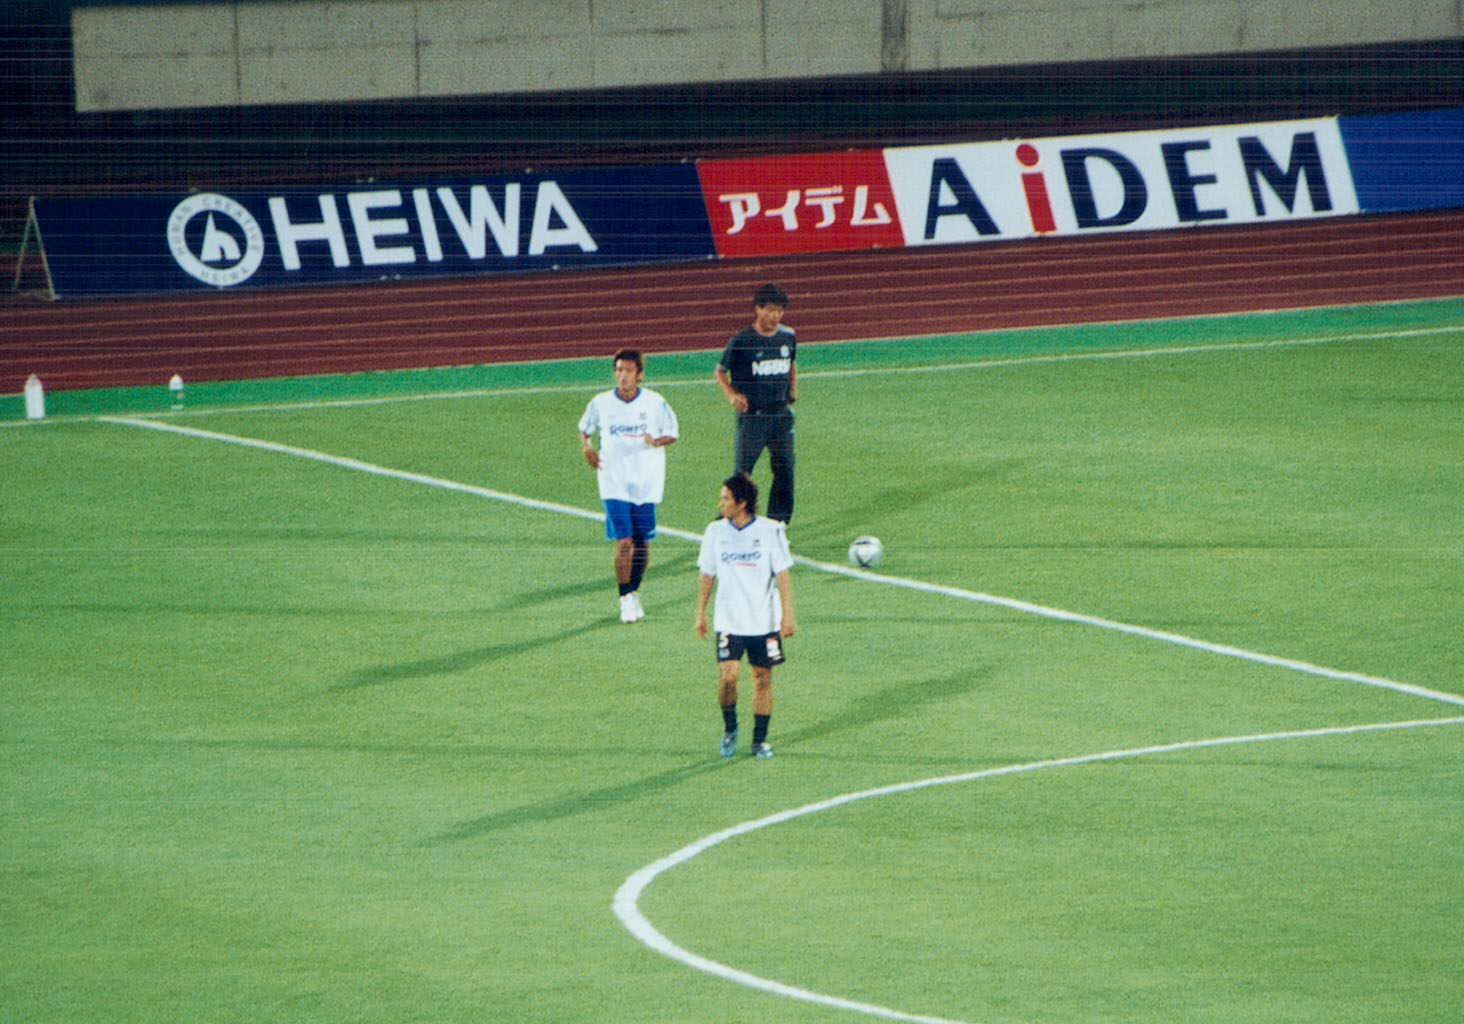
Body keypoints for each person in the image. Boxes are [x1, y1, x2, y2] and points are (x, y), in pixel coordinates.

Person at [695, 473, 796, 760]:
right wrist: (700, 612)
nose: (721, 504)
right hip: (729, 620)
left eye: (726, 499)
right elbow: (707, 574)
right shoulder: (715, 532)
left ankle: (759, 741)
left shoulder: (770, 531)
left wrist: (788, 614)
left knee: (762, 679)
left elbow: (783, 575)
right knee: (729, 677)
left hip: (763, 621)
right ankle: (730, 728)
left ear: (742, 503)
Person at [579, 348, 679, 623]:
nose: (623, 376)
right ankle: (624, 597)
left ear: (640, 375)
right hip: (614, 480)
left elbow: (673, 432)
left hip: (646, 481)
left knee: (643, 543)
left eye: (628, 371)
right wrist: (587, 449)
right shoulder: (601, 403)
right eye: (619, 370)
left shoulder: (655, 403)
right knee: (624, 541)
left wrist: (657, 441)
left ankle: (634, 590)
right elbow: (585, 429)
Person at [714, 283, 797, 524]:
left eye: (779, 311)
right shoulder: (743, 340)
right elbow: (720, 371)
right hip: (753, 417)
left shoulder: (788, 336)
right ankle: (727, 520)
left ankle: (777, 524)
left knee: (785, 471)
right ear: (757, 309)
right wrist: (731, 395)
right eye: (770, 310)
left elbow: (792, 363)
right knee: (742, 474)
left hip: (781, 416)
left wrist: (793, 389)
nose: (775, 316)